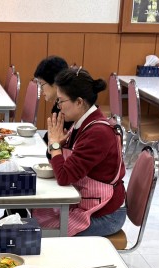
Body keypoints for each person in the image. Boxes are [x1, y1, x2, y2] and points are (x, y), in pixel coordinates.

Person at [32, 67, 126, 237]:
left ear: (79, 102)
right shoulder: (80, 123)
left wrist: (54, 146)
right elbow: (60, 163)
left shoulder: (97, 133)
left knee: (41, 234)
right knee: (33, 216)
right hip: (85, 203)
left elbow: (64, 176)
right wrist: (55, 146)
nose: (58, 107)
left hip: (106, 215)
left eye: (61, 101)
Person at [34, 55, 71, 150]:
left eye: (42, 84)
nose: (41, 90)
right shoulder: (59, 103)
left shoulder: (68, 108)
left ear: (55, 82)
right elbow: (52, 134)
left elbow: (57, 141)